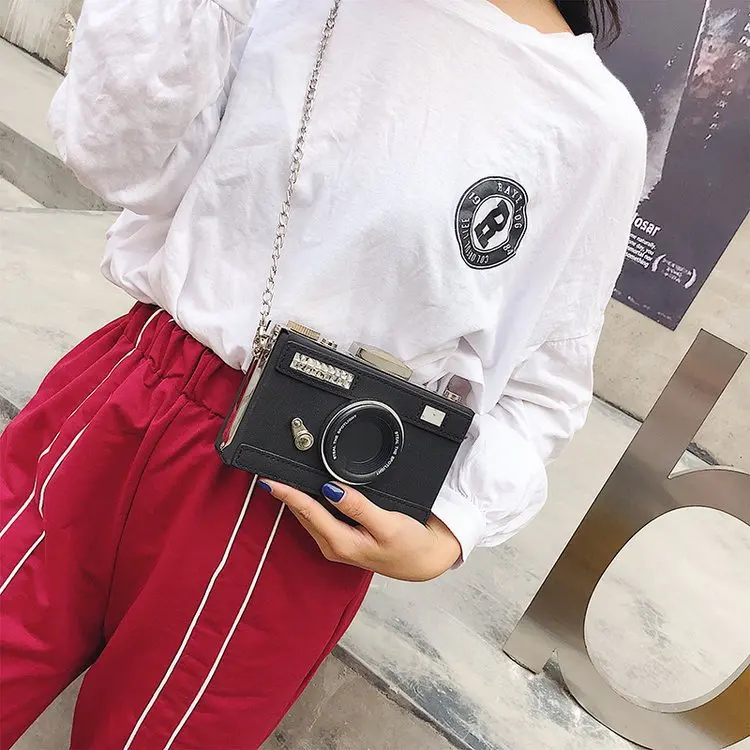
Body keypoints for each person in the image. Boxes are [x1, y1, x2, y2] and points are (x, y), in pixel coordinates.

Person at [0, 0, 646, 747]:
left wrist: (454, 525)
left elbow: (545, 380)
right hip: (128, 397)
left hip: (300, 501)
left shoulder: (591, 123)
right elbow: (108, 152)